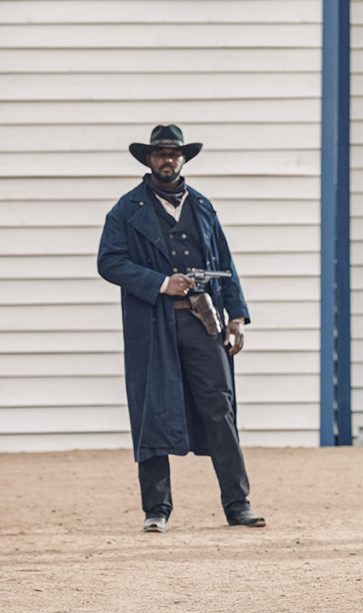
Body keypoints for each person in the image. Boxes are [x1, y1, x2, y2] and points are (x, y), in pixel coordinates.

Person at [98, 124, 265, 533]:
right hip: (151, 323)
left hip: (202, 319)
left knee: (219, 408)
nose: (167, 160)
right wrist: (160, 283)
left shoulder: (203, 206)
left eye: (174, 153)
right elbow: (109, 262)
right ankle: (156, 509)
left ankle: (237, 504)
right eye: (159, 154)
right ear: (148, 159)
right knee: (151, 411)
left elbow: (225, 263)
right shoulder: (126, 209)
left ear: (183, 158)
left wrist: (236, 316)